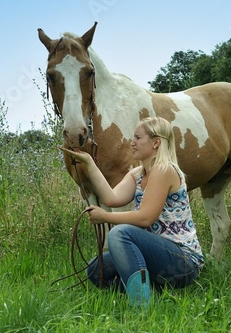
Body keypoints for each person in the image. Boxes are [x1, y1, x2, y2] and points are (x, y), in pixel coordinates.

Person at [60, 117, 204, 308]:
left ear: (155, 142)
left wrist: (106, 217)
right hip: (156, 255)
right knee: (96, 270)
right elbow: (110, 198)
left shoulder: (164, 170)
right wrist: (89, 163)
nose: (132, 142)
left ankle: (141, 305)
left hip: (183, 261)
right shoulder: (137, 174)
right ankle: (151, 288)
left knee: (120, 233)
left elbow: (145, 218)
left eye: (137, 137)